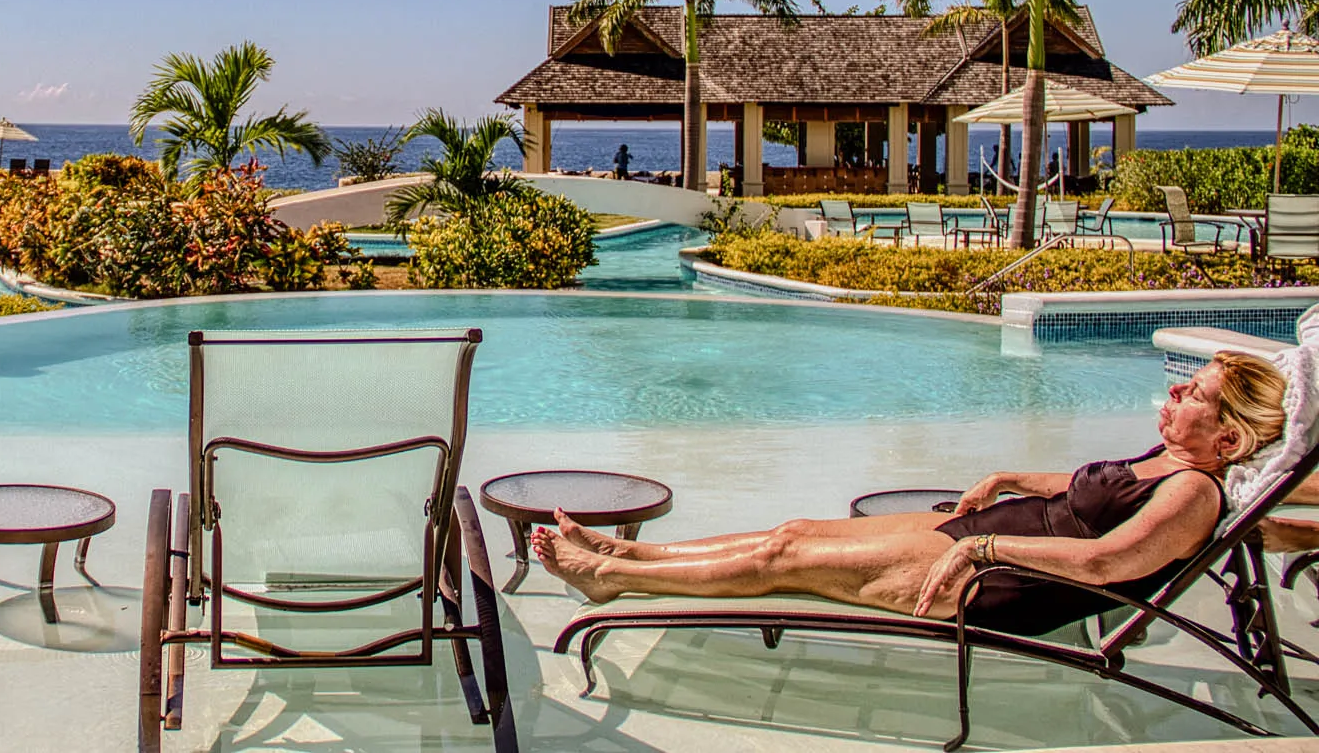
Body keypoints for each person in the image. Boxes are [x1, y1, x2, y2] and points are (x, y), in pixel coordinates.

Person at [532, 354, 1287, 636]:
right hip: (990, 536)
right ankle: (633, 549)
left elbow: (1106, 563)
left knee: (784, 555)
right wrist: (1012, 478)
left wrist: (988, 546)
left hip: (1004, 582)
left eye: (1199, 393)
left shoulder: (1194, 492)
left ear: (1228, 441)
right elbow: (1087, 492)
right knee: (793, 527)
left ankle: (609, 577)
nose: (1179, 389)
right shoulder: (1166, 458)